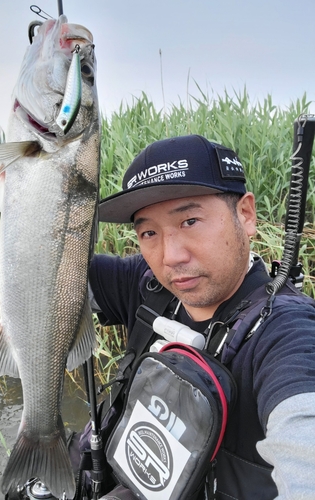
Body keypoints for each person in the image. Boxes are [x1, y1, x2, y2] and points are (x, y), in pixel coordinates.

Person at [78, 134, 315, 500]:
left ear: (246, 214)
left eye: (189, 220)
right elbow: (47, 277)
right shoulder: (146, 284)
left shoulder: (288, 332)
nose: (170, 256)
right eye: (149, 232)